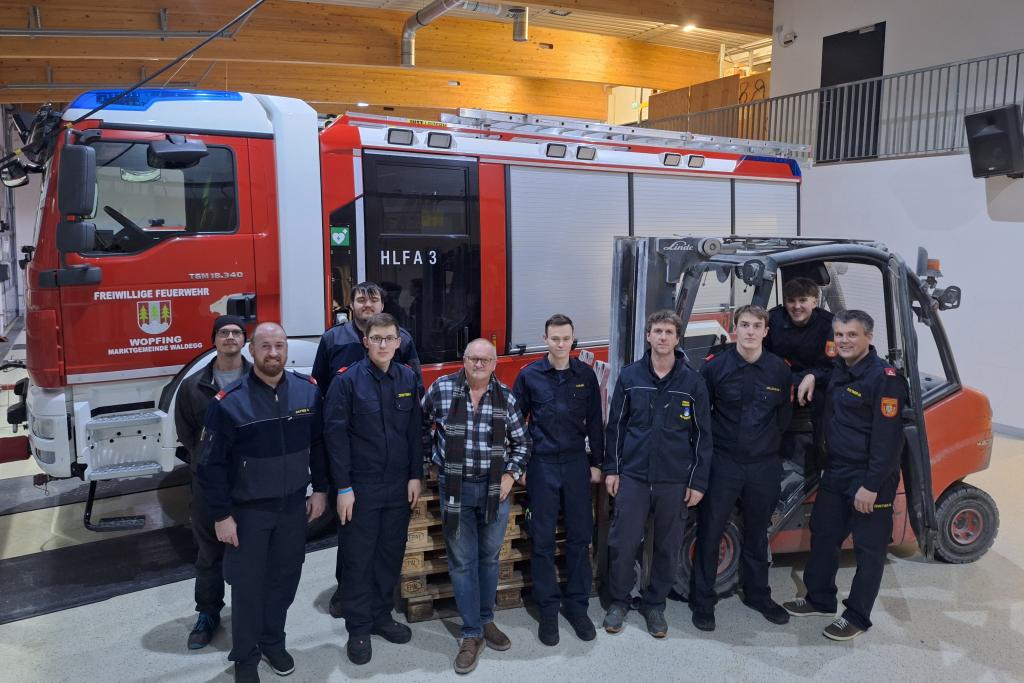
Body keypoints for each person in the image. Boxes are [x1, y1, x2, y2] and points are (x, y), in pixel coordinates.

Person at [197, 322, 329, 682]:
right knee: (248, 587)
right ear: (251, 351)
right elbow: (209, 465)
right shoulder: (228, 403)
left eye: (280, 346)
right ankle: (245, 658)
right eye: (265, 346)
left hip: (291, 508)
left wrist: (319, 490)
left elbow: (318, 446)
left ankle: (274, 642)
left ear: (287, 350)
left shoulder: (307, 392)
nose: (273, 353)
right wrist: (222, 516)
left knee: (284, 581)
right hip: (248, 512)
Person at [783, 309, 908, 641]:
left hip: (868, 477)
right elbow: (826, 376)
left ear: (869, 337)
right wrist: (812, 376)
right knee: (824, 534)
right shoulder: (839, 368)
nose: (844, 341)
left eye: (852, 335)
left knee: (869, 550)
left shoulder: (885, 379)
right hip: (836, 471)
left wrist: (870, 486)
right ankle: (820, 599)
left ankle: (856, 615)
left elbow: (887, 441)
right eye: (839, 335)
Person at [312, 280, 421, 616]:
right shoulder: (333, 340)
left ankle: (377, 607)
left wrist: (414, 472)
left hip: (390, 463)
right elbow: (320, 389)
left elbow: (413, 402)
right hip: (352, 451)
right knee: (353, 540)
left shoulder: (402, 347)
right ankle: (346, 594)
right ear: (353, 305)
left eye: (373, 300)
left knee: (386, 544)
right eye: (361, 299)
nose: (367, 305)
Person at [422, 338, 531, 675]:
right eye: (473, 359)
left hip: (494, 490)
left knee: (488, 558)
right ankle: (471, 633)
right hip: (454, 489)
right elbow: (420, 426)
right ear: (464, 360)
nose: (479, 365)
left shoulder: (506, 397)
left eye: (486, 360)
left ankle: (486, 621)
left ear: (495, 364)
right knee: (461, 561)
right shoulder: (441, 390)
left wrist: (512, 474)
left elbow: (522, 442)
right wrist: (431, 460)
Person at [602, 310, 713, 638]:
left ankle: (654, 605)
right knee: (623, 542)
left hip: (674, 480)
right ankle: (619, 601)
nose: (663, 337)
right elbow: (616, 428)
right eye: (657, 331)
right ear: (648, 337)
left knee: (667, 546)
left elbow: (703, 437)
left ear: (678, 339)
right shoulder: (630, 377)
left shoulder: (693, 383)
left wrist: (697, 481)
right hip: (634, 477)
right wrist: (613, 470)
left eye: (669, 332)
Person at [324, 313, 423, 665]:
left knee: (388, 555)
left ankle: (381, 616)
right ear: (366, 341)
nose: (383, 344)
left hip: (398, 485)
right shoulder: (346, 382)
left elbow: (415, 432)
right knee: (358, 558)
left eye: (389, 338)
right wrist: (344, 487)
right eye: (376, 338)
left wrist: (415, 475)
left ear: (399, 342)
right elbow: (335, 439)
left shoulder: (408, 377)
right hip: (361, 487)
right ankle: (359, 627)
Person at [689, 306, 793, 631]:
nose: (749, 331)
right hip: (723, 463)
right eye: (744, 325)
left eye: (756, 326)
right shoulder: (714, 368)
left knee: (757, 533)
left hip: (763, 465)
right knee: (710, 531)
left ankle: (757, 594)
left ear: (765, 331)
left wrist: (768, 451)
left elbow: (783, 417)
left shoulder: (779, 370)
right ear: (735, 330)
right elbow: (701, 419)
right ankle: (703, 601)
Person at [512, 313, 603, 646]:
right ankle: (548, 611)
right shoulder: (530, 376)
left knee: (580, 537)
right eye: (555, 338)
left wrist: (598, 463)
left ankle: (578, 608)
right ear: (545, 339)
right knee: (543, 541)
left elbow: (595, 422)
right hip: (542, 466)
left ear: (573, 339)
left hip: (577, 464)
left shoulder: (586, 376)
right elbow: (515, 423)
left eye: (566, 339)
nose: (561, 344)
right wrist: (518, 464)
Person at [175, 315, 252, 650]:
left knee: (250, 555)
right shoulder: (193, 387)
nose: (230, 337)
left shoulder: (260, 379)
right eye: (224, 332)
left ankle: (249, 616)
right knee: (209, 554)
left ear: (244, 340)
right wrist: (211, 465)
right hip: (208, 486)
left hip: (250, 485)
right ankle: (207, 614)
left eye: (236, 332)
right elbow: (187, 436)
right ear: (214, 339)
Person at [765, 277, 835, 471]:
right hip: (781, 379)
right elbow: (762, 357)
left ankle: (822, 458)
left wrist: (812, 376)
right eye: (791, 301)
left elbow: (833, 366)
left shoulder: (829, 325)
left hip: (817, 383)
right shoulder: (773, 320)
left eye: (803, 300)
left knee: (826, 399)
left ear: (814, 301)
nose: (796, 306)